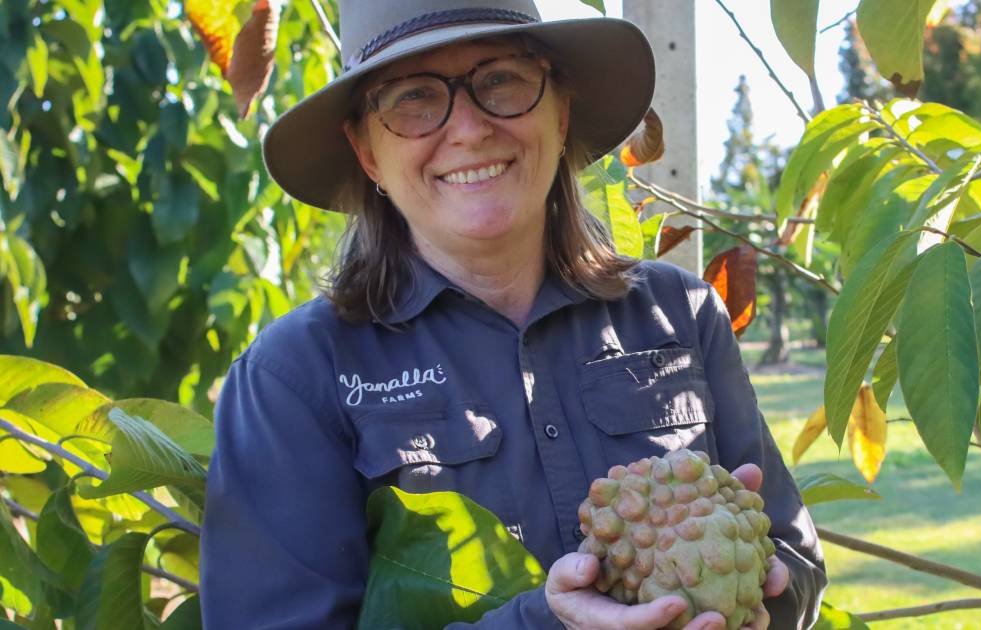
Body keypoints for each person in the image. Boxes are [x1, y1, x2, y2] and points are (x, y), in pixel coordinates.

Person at [199, 1, 827, 628]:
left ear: (561, 110)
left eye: (501, 79)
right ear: (366, 151)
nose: (469, 128)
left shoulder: (680, 313)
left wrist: (760, 594)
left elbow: (793, 560)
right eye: (413, 97)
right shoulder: (293, 377)